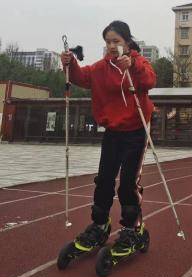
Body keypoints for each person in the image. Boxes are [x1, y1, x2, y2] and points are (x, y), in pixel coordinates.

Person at [60, 20, 156, 256]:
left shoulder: (137, 61)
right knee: (104, 179)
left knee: (127, 184)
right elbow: (81, 78)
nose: (112, 46)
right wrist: (70, 63)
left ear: (127, 42)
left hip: (136, 129)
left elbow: (149, 81)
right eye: (108, 42)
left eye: (117, 41)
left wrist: (132, 65)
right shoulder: (101, 68)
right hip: (113, 131)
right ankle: (100, 224)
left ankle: (132, 228)